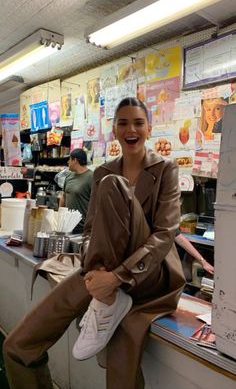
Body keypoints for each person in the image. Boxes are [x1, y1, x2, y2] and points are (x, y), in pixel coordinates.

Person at [3, 97, 185, 389]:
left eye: (138, 122)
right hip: (100, 271)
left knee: (120, 372)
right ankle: (105, 299)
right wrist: (94, 269)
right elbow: (89, 231)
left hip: (147, 275)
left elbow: (165, 234)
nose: (131, 129)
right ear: (114, 130)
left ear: (149, 128)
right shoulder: (103, 172)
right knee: (17, 345)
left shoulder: (166, 170)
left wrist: (116, 278)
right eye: (123, 122)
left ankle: (106, 299)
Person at [59, 148, 93, 234]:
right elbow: (63, 196)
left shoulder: (92, 177)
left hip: (83, 228)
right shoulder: (69, 177)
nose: (68, 162)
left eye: (69, 159)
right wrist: (60, 215)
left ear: (75, 160)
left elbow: (97, 203)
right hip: (67, 225)